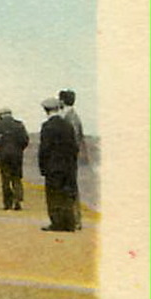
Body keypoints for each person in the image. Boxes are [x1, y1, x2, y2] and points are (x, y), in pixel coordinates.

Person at [38, 96, 80, 232]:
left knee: (54, 195)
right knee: (66, 194)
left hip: (53, 166)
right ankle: (69, 223)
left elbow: (44, 149)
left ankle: (56, 223)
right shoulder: (67, 125)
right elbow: (74, 147)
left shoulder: (47, 126)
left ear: (46, 110)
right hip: (68, 165)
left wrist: (42, 167)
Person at [58, 89, 86, 230]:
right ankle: (73, 219)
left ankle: (74, 220)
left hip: (68, 158)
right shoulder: (73, 116)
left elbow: (74, 140)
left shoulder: (69, 118)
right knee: (70, 188)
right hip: (71, 158)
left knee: (70, 188)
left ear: (62, 101)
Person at [0, 107, 30, 211]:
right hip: (17, 155)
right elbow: (25, 140)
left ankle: (7, 203)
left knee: (5, 179)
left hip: (4, 155)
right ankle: (18, 201)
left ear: (1, 115)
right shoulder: (19, 124)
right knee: (17, 178)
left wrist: (1, 147)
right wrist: (19, 149)